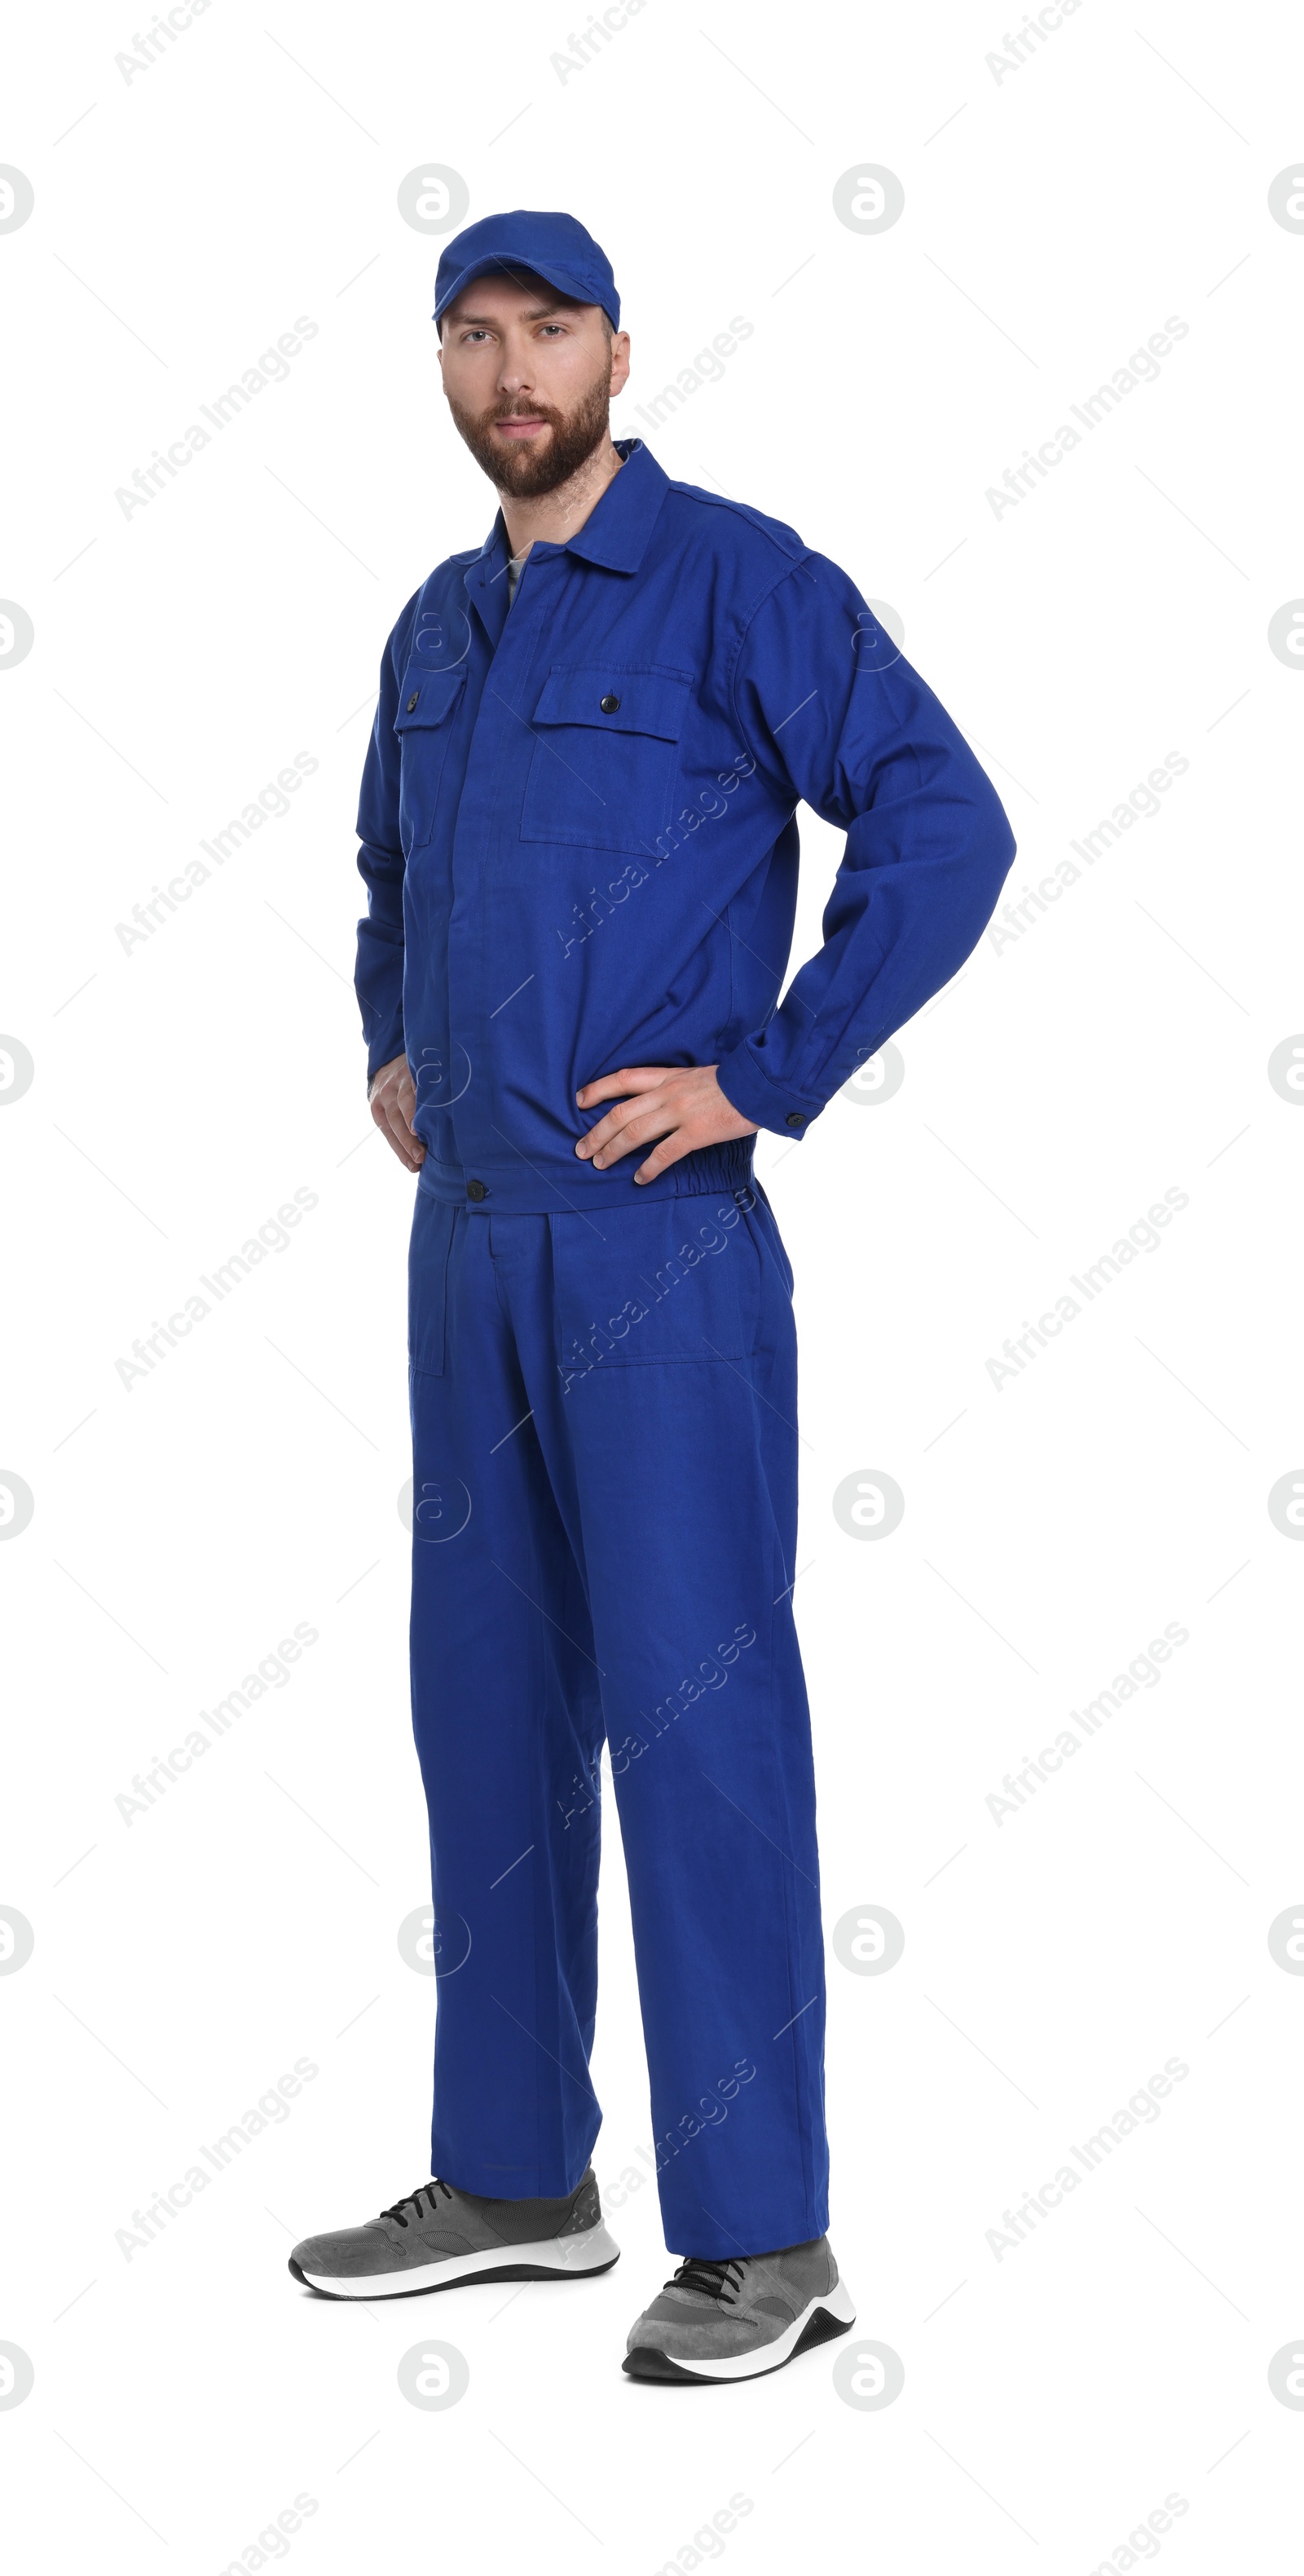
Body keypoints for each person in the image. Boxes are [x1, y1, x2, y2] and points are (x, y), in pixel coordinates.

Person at [288, 209, 1015, 2383]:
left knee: (696, 1727)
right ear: (443, 365)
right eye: (474, 338)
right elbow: (390, 879)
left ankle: (766, 2242)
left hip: (651, 1246)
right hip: (468, 1242)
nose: (513, 374)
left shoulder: (738, 582)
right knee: (483, 1715)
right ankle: (517, 2174)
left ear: (622, 348)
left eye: (551, 334)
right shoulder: (439, 625)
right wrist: (390, 1048)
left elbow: (942, 821)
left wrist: (764, 1077)